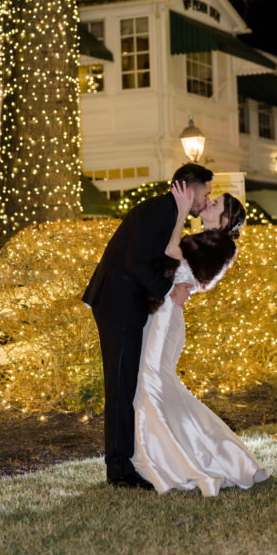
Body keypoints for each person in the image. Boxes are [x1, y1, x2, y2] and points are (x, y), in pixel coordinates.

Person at [131, 182, 270, 496]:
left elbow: (170, 252)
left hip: (167, 316)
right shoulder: (207, 239)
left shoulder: (222, 244)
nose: (209, 202)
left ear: (224, 219)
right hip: (163, 310)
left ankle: (180, 456)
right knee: (154, 379)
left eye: (216, 202)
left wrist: (180, 212)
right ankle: (172, 451)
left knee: (152, 377)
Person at [82, 163, 214, 489]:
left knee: (125, 383)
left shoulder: (167, 211)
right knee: (120, 386)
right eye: (206, 193)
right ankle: (119, 469)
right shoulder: (159, 211)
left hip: (123, 302)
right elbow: (136, 263)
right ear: (189, 189)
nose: (207, 199)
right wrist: (171, 291)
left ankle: (124, 462)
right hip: (118, 304)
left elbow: (159, 257)